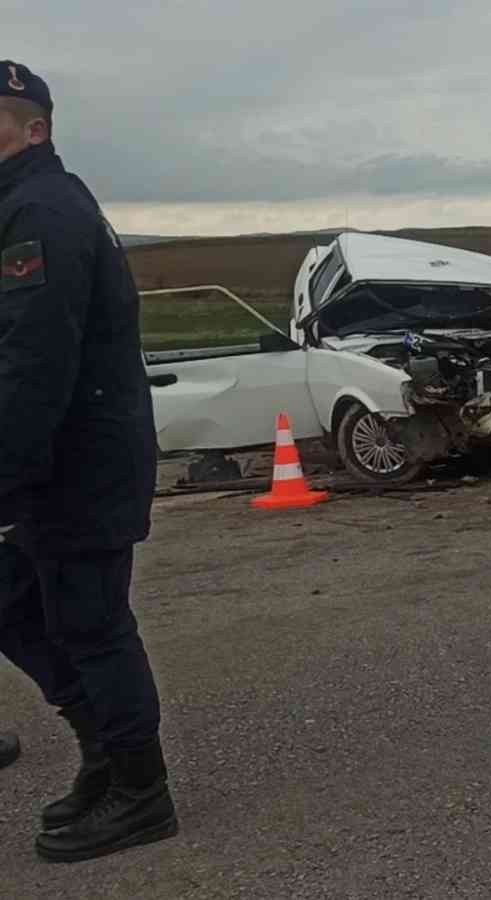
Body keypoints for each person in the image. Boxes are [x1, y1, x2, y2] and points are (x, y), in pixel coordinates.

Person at [0, 61, 178, 862]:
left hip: (76, 461)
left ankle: (141, 791)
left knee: (92, 625)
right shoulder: (21, 206)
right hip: (54, 460)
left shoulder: (42, 210)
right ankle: (103, 751)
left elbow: (32, 363)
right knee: (19, 604)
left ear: (34, 128)